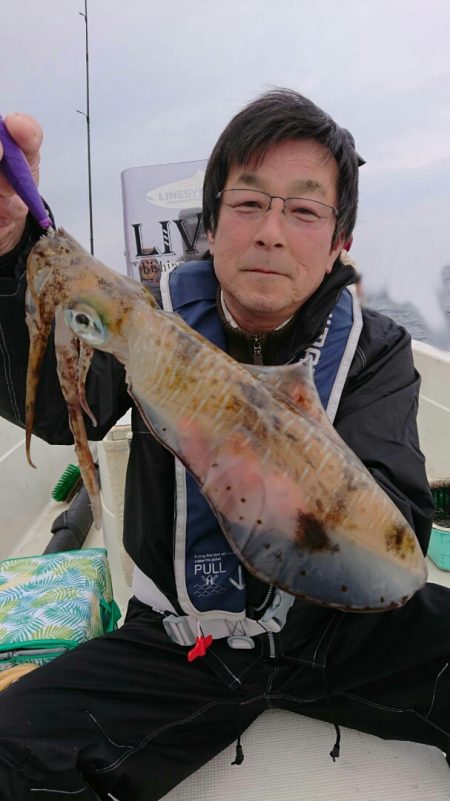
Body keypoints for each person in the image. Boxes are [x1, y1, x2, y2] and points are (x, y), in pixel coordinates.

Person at [0, 90, 448, 801]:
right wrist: (8, 249)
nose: (271, 230)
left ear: (340, 242)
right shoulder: (149, 324)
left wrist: (241, 429)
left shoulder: (375, 350)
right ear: (210, 223)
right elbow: (58, 413)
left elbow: (393, 534)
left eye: (303, 210)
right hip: (179, 646)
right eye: (248, 203)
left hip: (335, 635)